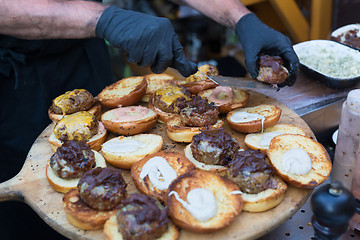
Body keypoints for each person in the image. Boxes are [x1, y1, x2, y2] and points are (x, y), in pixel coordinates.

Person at [0, 0, 299, 239]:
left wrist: (240, 18)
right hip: (13, 81)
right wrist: (104, 20)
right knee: (29, 214)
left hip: (81, 54)